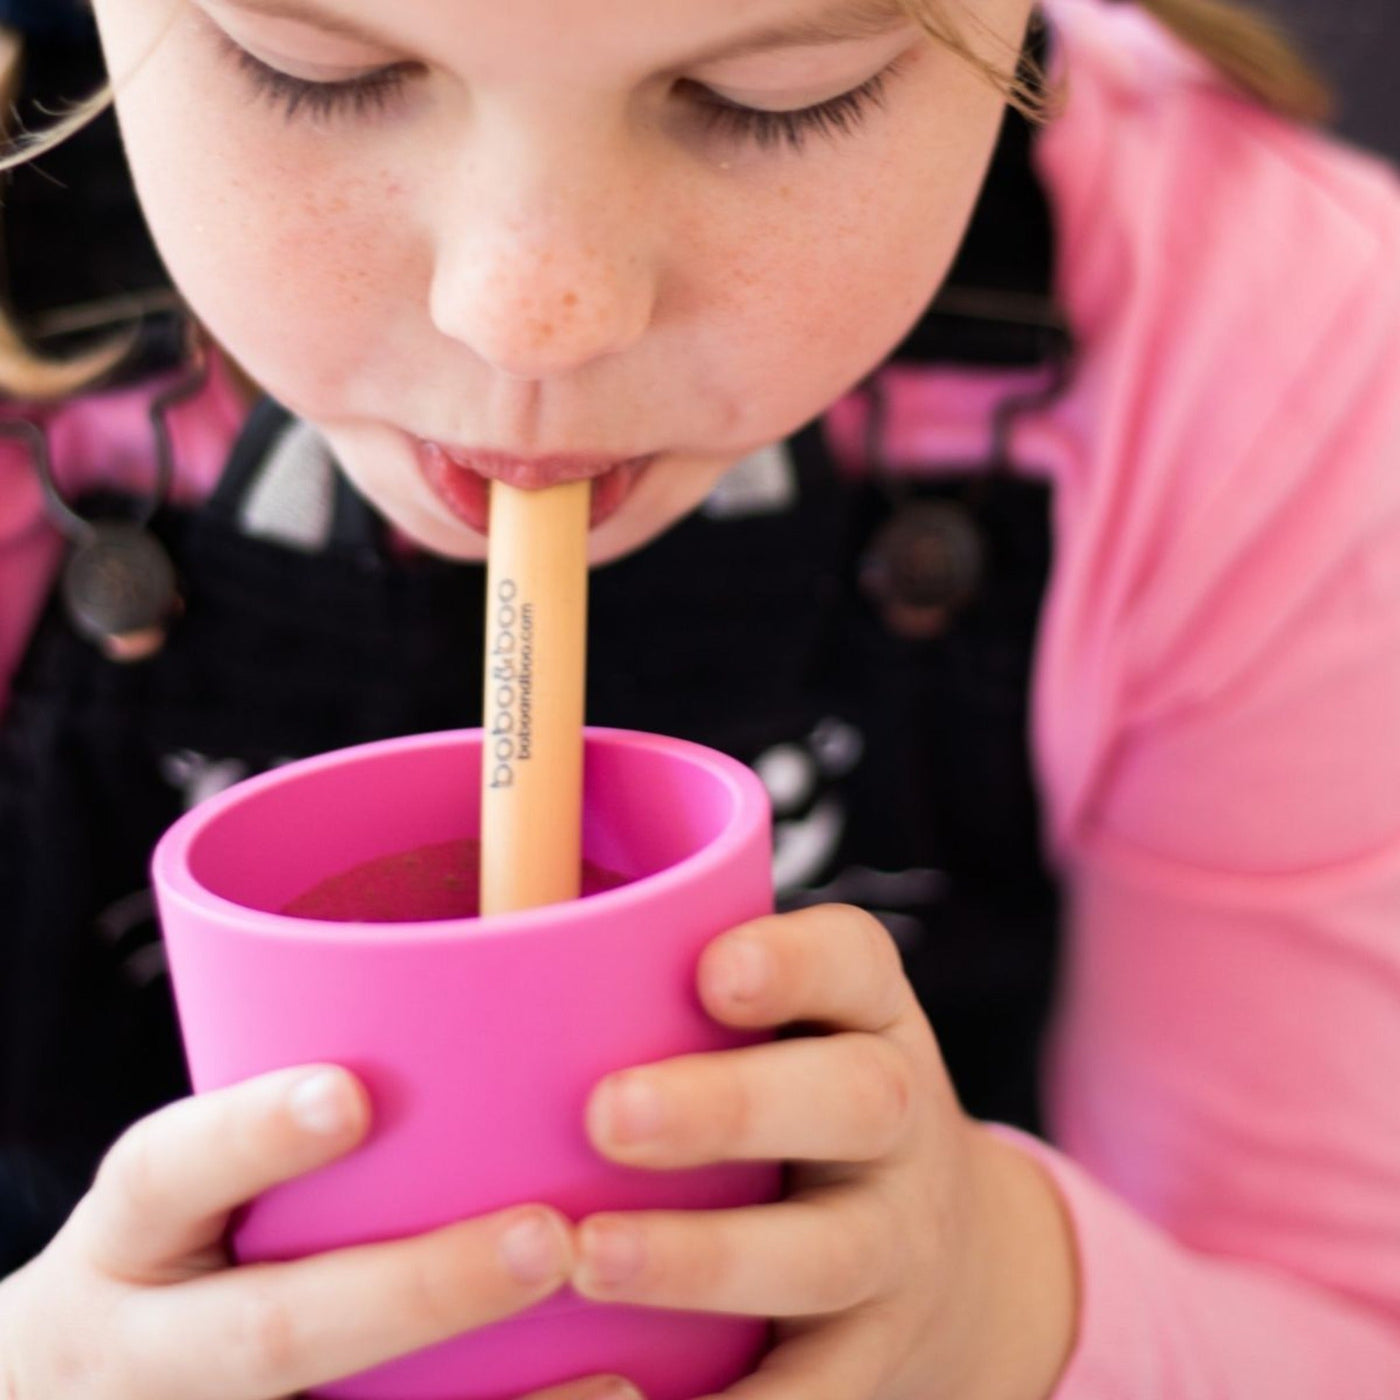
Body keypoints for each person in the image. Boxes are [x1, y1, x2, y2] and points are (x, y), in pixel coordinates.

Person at [1, 0, 1399, 1395]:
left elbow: (1345, 1333)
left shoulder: (1269, 362)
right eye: (313, 69)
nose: (531, 318)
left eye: (776, 96)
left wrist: (1003, 1312)